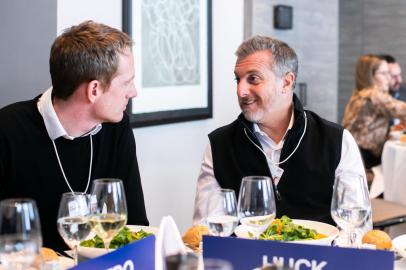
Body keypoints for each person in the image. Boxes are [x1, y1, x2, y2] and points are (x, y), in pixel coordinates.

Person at [0, 21, 149, 251]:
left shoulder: (117, 127)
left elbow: (135, 225)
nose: (134, 92)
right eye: (127, 82)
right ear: (94, 90)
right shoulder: (7, 131)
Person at [193, 36, 367, 227]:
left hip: (321, 256)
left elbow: (356, 230)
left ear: (286, 82)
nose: (240, 91)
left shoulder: (336, 140)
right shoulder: (220, 145)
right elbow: (206, 231)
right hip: (246, 256)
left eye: (253, 78)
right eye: (238, 79)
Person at [342, 54, 406, 170]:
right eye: (384, 73)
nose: (389, 78)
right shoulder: (374, 95)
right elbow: (402, 110)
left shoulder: (360, 93)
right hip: (364, 155)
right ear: (370, 75)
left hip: (351, 150)